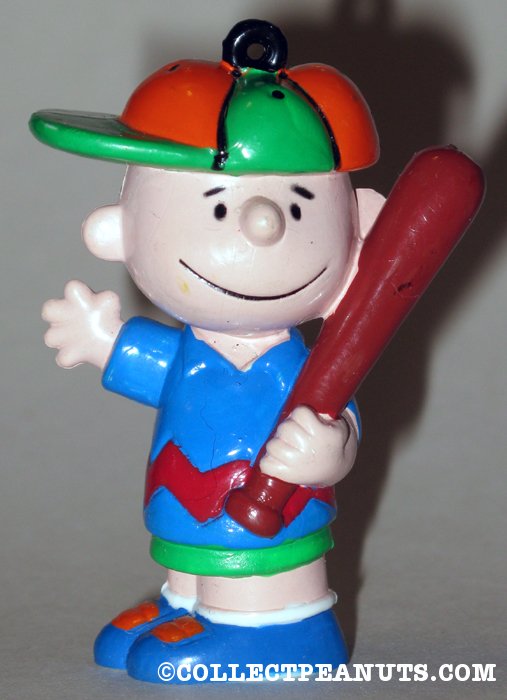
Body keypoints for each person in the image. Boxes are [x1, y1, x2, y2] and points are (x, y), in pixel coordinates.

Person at [32, 19, 385, 683]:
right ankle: (188, 605)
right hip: (190, 509)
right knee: (192, 565)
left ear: (360, 229)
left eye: (299, 205)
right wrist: (101, 339)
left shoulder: (312, 372)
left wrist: (329, 450)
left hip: (275, 520)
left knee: (256, 574)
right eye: (219, 207)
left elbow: (341, 418)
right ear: (117, 230)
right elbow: (151, 364)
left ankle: (280, 632)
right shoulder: (188, 357)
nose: (263, 224)